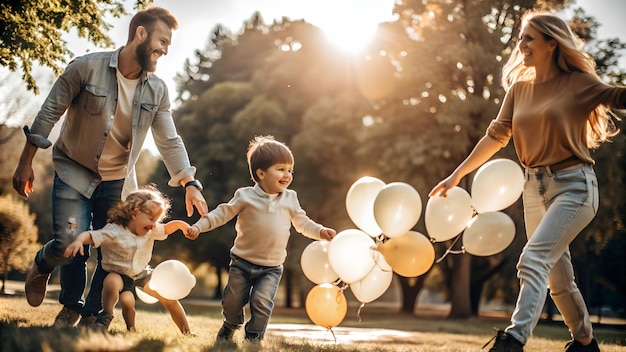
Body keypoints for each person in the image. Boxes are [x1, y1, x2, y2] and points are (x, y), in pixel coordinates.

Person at [429, 10, 625, 352]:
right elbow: (495, 137)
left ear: (552, 43)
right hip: (533, 190)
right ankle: (584, 343)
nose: (521, 44)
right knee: (558, 279)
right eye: (520, 37)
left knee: (532, 258)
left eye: (528, 38)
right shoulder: (519, 89)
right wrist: (456, 175)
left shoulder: (579, 83)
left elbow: (618, 97)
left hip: (575, 186)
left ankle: (514, 339)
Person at [12, 6, 208, 328]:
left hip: (117, 180)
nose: (165, 50)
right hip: (74, 170)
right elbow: (49, 112)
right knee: (69, 243)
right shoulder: (86, 68)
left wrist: (190, 183)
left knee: (111, 249)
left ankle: (88, 314)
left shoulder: (157, 90)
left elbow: (169, 140)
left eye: (169, 44)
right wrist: (26, 161)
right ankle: (48, 270)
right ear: (140, 34)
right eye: (162, 40)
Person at [186, 135, 336, 342]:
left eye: (290, 170)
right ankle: (231, 324)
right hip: (241, 262)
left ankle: (254, 338)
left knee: (261, 302)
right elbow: (221, 214)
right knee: (232, 301)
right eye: (281, 169)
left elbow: (303, 223)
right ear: (261, 173)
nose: (287, 175)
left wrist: (320, 231)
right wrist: (197, 227)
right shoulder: (245, 196)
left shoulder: (290, 198)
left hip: (272, 267)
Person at [64, 186, 193, 334]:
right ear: (135, 213)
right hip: (118, 274)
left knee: (168, 297)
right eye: (151, 219)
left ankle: (187, 332)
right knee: (111, 282)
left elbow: (166, 228)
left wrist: (182, 226)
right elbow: (92, 235)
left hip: (141, 273)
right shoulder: (114, 231)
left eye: (156, 220)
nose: (153, 225)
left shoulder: (150, 230)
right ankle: (106, 316)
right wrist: (78, 241)